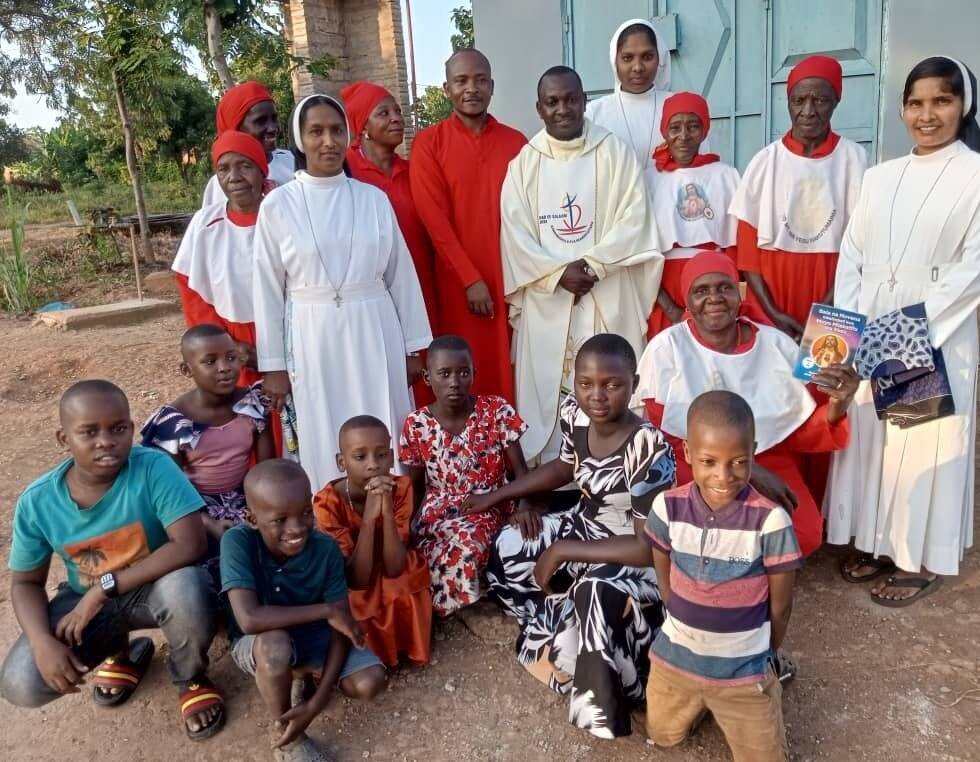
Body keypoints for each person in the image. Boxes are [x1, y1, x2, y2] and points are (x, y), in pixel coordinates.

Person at [827, 56, 980, 605]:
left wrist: (908, 329)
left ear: (964, 106)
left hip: (935, 329)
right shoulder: (879, 176)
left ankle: (919, 555)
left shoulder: (975, 174)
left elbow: (973, 268)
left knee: (923, 438)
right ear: (902, 109)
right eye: (916, 103)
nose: (928, 114)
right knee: (876, 439)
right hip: (873, 324)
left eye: (942, 100)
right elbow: (853, 256)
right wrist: (850, 329)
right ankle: (874, 539)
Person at [471, 334, 676, 739]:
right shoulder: (575, 414)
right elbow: (565, 469)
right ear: (575, 381)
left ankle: (609, 702)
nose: (597, 395)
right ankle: (559, 618)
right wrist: (503, 494)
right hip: (585, 525)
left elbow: (649, 548)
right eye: (586, 383)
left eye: (612, 385)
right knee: (509, 545)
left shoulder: (649, 448)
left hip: (632, 555)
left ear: (634, 384)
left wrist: (563, 549)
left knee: (596, 595)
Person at [0, 380, 224, 741]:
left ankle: (190, 676)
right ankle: (120, 655)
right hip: (85, 602)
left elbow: (190, 545)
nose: (106, 441)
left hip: (156, 588)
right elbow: (25, 582)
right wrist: (42, 641)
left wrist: (102, 590)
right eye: (89, 432)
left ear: (131, 430)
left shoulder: (152, 467)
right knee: (21, 682)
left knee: (187, 585)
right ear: (63, 439)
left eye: (118, 429)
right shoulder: (37, 501)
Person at [252, 93, 432, 493]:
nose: (328, 141)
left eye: (336, 130)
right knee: (324, 424)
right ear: (300, 139)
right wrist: (274, 365)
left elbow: (400, 275)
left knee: (383, 418)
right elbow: (266, 288)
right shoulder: (279, 206)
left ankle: (394, 518)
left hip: (374, 325)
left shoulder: (372, 199)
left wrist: (413, 349)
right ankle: (332, 522)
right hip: (312, 333)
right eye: (316, 132)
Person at [635, 251, 860, 556]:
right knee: (709, 532)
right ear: (687, 302)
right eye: (701, 291)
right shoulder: (666, 348)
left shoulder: (775, 344)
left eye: (724, 287)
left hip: (767, 455)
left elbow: (797, 429)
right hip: (694, 463)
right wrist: (750, 474)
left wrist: (839, 402)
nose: (714, 298)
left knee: (804, 533)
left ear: (739, 294)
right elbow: (670, 435)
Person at [501, 66, 661, 464]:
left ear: (584, 100)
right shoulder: (524, 164)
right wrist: (558, 273)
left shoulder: (614, 152)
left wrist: (592, 264)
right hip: (549, 294)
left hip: (604, 286)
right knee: (549, 387)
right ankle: (556, 470)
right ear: (539, 108)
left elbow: (634, 216)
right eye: (552, 102)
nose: (562, 109)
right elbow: (515, 234)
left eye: (570, 99)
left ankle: (618, 467)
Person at [643, 391, 801, 762]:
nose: (723, 476)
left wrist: (764, 654)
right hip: (675, 664)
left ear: (754, 452)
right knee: (663, 737)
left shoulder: (771, 521)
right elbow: (664, 578)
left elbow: (781, 607)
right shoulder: (666, 508)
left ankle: (773, 678)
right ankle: (699, 702)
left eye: (739, 462)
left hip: (743, 676)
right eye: (708, 461)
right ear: (687, 453)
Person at [222, 459, 385, 761]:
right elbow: (249, 619)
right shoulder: (238, 542)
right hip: (261, 643)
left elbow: (340, 627)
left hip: (315, 640)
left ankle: (304, 683)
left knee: (369, 682)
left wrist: (317, 704)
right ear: (252, 518)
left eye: (305, 513)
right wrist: (325, 611)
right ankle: (287, 737)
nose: (296, 528)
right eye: (279, 519)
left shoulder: (325, 549)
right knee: (275, 646)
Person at [410, 48, 527, 401]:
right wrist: (470, 279)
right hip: (459, 283)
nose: (471, 88)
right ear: (446, 89)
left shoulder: (517, 143)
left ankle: (509, 452)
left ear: (492, 86)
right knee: (464, 372)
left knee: (512, 367)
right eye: (461, 81)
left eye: (479, 80)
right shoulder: (429, 144)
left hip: (512, 277)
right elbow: (434, 219)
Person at [729, 55, 868, 340]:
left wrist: (827, 309)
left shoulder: (855, 160)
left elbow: (866, 244)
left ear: (836, 102)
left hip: (836, 286)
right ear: (788, 102)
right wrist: (773, 312)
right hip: (771, 291)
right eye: (799, 100)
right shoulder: (765, 162)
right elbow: (747, 252)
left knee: (827, 379)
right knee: (771, 377)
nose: (808, 111)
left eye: (821, 100)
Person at [399, 335, 529, 618]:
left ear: (474, 374)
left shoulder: (495, 410)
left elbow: (520, 470)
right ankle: (458, 598)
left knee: (468, 545)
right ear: (427, 377)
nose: (454, 382)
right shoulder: (416, 424)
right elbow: (416, 485)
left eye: (463, 372)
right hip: (438, 508)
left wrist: (524, 506)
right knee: (422, 551)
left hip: (488, 503)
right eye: (444, 374)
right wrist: (408, 524)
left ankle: (462, 603)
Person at [341, 80, 439, 406]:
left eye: (397, 110)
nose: (396, 118)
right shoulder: (347, 173)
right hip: (374, 292)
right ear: (362, 127)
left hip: (421, 285)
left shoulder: (413, 171)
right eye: (383, 112)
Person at [313, 416, 432, 667]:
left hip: (391, 557)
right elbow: (357, 579)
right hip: (353, 569)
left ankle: (405, 650)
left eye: (381, 455)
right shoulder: (327, 503)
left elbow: (394, 566)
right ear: (341, 461)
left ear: (391, 457)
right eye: (360, 457)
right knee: (357, 598)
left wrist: (386, 512)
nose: (373, 466)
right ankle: (369, 658)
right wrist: (368, 518)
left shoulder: (401, 487)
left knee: (404, 579)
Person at [141, 325, 274, 548]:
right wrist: (209, 523)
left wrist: (264, 508)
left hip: (247, 498)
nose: (224, 368)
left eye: (231, 357)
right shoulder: (173, 423)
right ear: (187, 369)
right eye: (210, 362)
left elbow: (267, 469)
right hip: (193, 507)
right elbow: (170, 490)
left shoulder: (253, 403)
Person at [174, 131, 269, 386]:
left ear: (262, 170)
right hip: (231, 345)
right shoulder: (205, 224)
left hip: (289, 338)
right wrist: (227, 346)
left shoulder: (283, 214)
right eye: (223, 169)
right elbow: (190, 287)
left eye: (245, 166)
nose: (234, 178)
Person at [646, 91, 740, 338]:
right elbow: (642, 253)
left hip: (714, 284)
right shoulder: (649, 178)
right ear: (664, 132)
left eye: (693, 126)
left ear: (705, 130)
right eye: (675, 127)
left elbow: (735, 247)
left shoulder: (725, 175)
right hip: (663, 284)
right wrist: (669, 307)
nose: (684, 136)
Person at [587, 19, 706, 172]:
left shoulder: (681, 109)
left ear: (660, 59)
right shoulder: (594, 114)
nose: (637, 67)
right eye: (627, 58)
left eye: (647, 57)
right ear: (614, 61)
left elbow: (702, 170)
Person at [202, 80, 295, 207]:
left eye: (274, 119)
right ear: (235, 128)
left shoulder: (293, 162)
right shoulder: (222, 185)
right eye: (260, 121)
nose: (273, 128)